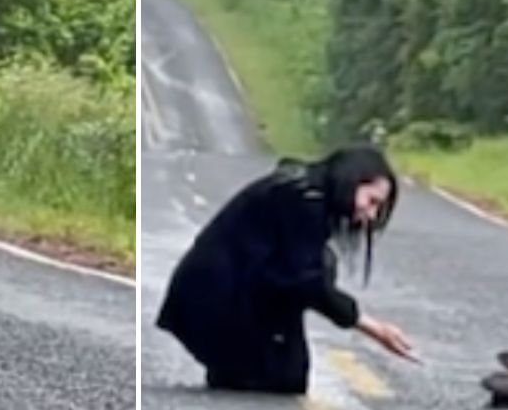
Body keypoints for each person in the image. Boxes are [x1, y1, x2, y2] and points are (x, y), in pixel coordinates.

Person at [156, 144, 420, 394]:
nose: (372, 215)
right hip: (209, 302)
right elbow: (307, 281)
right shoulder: (304, 199)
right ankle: (236, 364)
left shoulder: (303, 189)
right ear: (351, 180)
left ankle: (238, 365)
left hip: (217, 296)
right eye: (372, 201)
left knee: (288, 373)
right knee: (281, 378)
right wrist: (374, 328)